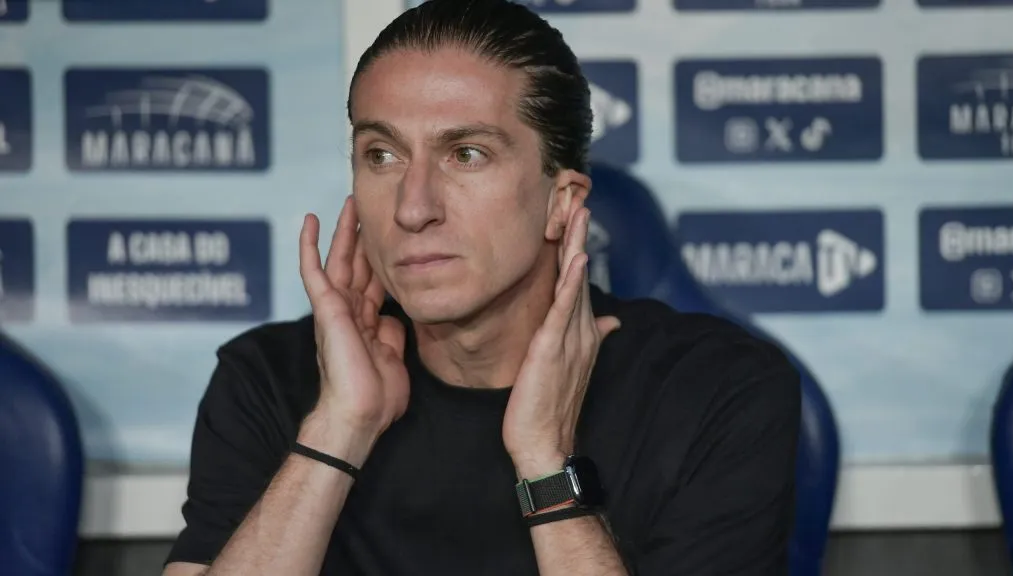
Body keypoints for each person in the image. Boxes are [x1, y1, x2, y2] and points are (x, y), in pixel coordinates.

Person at [162, 0, 801, 574]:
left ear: (562, 201)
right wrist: (337, 429)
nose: (413, 209)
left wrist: (546, 462)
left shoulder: (718, 388)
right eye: (381, 154)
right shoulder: (266, 378)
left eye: (466, 154)